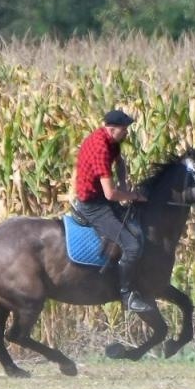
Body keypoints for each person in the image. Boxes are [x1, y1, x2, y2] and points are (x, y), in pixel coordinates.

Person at [71, 108, 154, 313]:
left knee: (137, 229)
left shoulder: (111, 141)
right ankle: (126, 295)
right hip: (94, 206)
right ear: (112, 128)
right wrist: (133, 196)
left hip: (102, 199)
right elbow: (110, 194)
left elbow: (120, 163)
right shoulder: (100, 149)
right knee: (132, 246)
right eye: (124, 129)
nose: (127, 133)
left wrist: (124, 184)